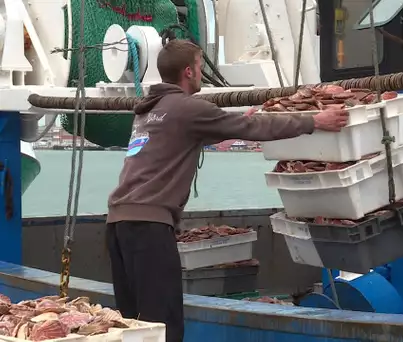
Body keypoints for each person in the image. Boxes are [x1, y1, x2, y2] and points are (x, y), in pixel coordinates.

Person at [105, 39, 349, 342]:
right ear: (189, 72)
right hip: (149, 228)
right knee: (163, 323)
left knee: (135, 324)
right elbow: (257, 129)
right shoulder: (188, 107)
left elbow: (173, 144)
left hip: (118, 225)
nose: (201, 70)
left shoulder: (148, 111)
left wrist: (227, 125)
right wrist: (315, 120)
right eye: (199, 64)